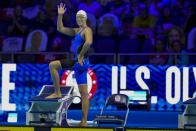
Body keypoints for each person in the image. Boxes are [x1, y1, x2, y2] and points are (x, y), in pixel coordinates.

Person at [46, 3, 93, 127]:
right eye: (78, 18)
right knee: (84, 94)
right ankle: (83, 122)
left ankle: (57, 92)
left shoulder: (87, 30)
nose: (80, 20)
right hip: (83, 65)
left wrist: (80, 55)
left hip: (79, 62)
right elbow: (60, 29)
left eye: (82, 18)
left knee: (53, 65)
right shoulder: (77, 31)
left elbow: (88, 42)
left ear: (86, 19)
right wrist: (60, 15)